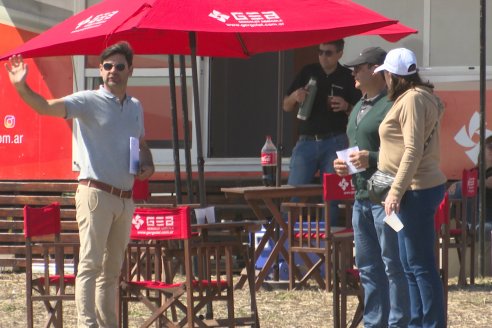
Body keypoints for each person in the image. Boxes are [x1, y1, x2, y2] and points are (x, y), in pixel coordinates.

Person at [5, 41, 154, 328]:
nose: (113, 71)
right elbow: (46, 107)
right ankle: (87, 325)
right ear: (100, 70)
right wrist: (21, 87)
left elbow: (142, 144)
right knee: (90, 266)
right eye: (107, 66)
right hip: (95, 193)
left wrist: (148, 163)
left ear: (130, 70)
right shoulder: (87, 100)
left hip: (125, 197)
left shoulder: (136, 107)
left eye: (120, 66)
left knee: (112, 272)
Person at [334, 47, 410, 327]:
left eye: (359, 67)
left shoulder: (392, 105)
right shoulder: (357, 107)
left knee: (393, 264)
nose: (352, 72)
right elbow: (358, 151)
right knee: (367, 267)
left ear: (377, 70)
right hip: (362, 199)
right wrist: (345, 165)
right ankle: (375, 322)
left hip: (387, 200)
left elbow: (406, 152)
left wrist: (372, 158)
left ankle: (398, 322)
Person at [374, 48, 447, 328]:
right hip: (410, 189)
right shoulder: (415, 97)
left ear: (393, 75)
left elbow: (413, 149)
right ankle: (418, 323)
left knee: (419, 264)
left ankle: (430, 324)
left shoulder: (413, 100)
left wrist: (395, 191)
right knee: (409, 264)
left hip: (414, 190)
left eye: (385, 74)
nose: (385, 79)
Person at [283, 39, 361, 225]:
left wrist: (346, 106)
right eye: (320, 52)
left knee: (332, 198)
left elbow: (360, 111)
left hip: (336, 141)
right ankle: (284, 244)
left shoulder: (348, 77)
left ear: (340, 54)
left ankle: (329, 247)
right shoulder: (308, 71)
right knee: (293, 194)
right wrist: (295, 96)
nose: (323, 57)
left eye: (328, 53)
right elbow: (286, 106)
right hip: (306, 141)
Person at [448, 134, 492, 276]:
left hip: (487, 219)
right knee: (458, 191)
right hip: (472, 218)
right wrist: (458, 185)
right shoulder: (475, 172)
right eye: (488, 149)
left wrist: (467, 184)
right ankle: (453, 222)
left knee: (463, 187)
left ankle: (456, 222)